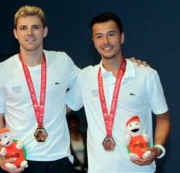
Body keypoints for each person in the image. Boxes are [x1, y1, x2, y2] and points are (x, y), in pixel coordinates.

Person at [66, 12, 171, 172]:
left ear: (121, 37)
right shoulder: (85, 77)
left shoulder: (146, 75)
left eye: (111, 34)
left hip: (139, 168)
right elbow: (57, 110)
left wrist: (158, 148)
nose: (106, 41)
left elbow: (163, 119)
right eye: (99, 36)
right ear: (93, 41)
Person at [0, 5, 79, 173]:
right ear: (16, 33)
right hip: (20, 159)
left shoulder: (61, 61)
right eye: (23, 28)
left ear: (44, 31)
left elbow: (88, 83)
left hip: (58, 158)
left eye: (35, 27)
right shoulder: (1, 70)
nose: (29, 33)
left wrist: (60, 108)